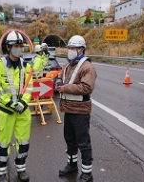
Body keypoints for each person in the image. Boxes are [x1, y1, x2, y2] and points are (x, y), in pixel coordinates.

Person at [0, 30, 33, 182]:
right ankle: (1, 172)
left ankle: (21, 169)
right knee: (3, 142)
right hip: (6, 112)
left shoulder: (26, 66)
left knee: (23, 142)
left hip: (22, 111)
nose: (18, 48)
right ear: (8, 47)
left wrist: (23, 102)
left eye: (20, 45)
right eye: (15, 45)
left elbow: (29, 86)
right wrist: (9, 103)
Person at [55, 35, 97, 182]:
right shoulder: (67, 66)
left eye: (73, 48)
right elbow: (59, 77)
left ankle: (87, 173)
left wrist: (64, 87)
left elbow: (86, 87)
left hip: (80, 112)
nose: (70, 51)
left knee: (83, 142)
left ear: (81, 50)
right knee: (70, 140)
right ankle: (72, 165)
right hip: (68, 110)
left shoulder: (87, 67)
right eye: (69, 48)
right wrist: (58, 82)